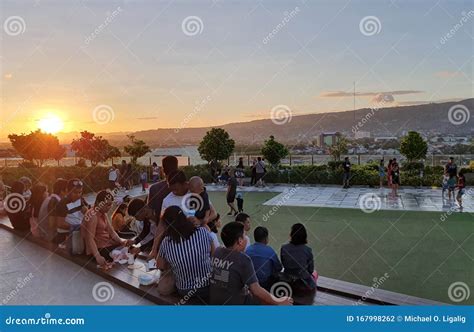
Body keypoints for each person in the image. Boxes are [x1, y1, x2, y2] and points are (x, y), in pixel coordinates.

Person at [209, 222, 293, 305]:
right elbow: (256, 290)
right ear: (240, 241)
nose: (246, 238)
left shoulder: (217, 251)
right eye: (244, 235)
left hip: (215, 301)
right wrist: (278, 301)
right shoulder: (243, 259)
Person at [158, 206, 213, 301]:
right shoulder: (203, 231)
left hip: (184, 290)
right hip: (207, 286)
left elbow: (160, 265)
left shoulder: (166, 242)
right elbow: (214, 254)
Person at [82, 190, 132, 269]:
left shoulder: (103, 213)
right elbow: (89, 238)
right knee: (124, 254)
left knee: (129, 248)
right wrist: (98, 257)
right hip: (99, 249)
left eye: (111, 205)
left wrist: (121, 241)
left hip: (107, 244)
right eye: (107, 205)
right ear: (99, 203)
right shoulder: (92, 215)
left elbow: (111, 231)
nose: (109, 207)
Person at [147, 156, 179, 259]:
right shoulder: (186, 187)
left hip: (162, 237)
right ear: (177, 168)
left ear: (163, 170)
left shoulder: (154, 189)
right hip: (184, 236)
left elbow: (151, 214)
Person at [280, 223, 317, 292]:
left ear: (292, 234)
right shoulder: (307, 250)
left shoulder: (284, 248)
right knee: (315, 273)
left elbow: (284, 264)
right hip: (302, 283)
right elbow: (311, 270)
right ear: (304, 236)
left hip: (288, 280)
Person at [246, 226, 282, 290]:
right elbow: (279, 268)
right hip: (265, 284)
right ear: (266, 238)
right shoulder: (270, 251)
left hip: (250, 283)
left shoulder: (248, 250)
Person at [55, 179, 89, 248]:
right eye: (75, 192)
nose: (78, 195)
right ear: (68, 191)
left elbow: (89, 214)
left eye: (80, 192)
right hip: (65, 235)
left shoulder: (81, 200)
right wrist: (79, 226)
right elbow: (60, 224)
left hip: (79, 231)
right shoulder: (62, 203)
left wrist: (87, 211)